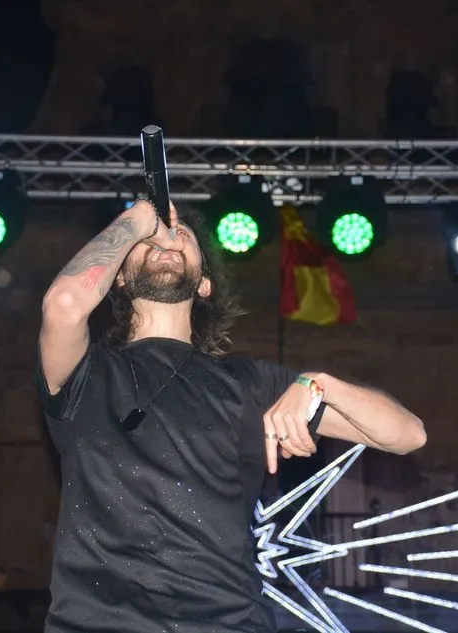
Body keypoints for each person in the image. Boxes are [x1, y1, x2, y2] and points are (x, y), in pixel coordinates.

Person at [37, 200, 427, 633]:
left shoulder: (249, 384)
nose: (167, 240)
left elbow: (407, 434)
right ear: (120, 277)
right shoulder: (85, 375)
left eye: (182, 235)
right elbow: (64, 303)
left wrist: (319, 383)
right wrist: (140, 218)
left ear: (203, 284)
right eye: (148, 241)